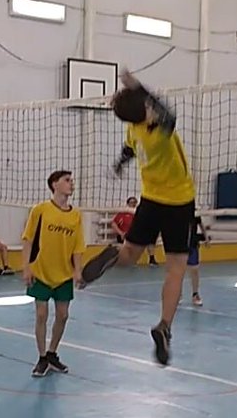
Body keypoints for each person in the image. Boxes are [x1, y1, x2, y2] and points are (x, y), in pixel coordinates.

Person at [81, 69, 196, 365]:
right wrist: (138, 86)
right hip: (178, 202)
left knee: (130, 255)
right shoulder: (159, 130)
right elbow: (168, 112)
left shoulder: (134, 129)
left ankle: (113, 255)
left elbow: (128, 149)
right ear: (144, 108)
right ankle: (164, 325)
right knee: (176, 268)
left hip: (150, 200)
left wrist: (119, 164)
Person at [23, 171, 85, 376]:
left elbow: (78, 246)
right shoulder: (40, 210)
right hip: (40, 271)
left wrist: (77, 271)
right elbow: (28, 239)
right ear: (54, 184)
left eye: (72, 181)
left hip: (64, 274)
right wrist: (26, 267)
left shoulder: (76, 215)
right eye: (67, 180)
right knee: (41, 314)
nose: (71, 184)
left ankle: (52, 354)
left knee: (63, 315)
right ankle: (42, 358)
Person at [186, 214, 206, 306]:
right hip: (180, 245)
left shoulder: (195, 215)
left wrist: (206, 238)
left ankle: (195, 294)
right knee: (178, 270)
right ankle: (177, 294)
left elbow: (201, 226)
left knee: (194, 270)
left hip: (193, 245)